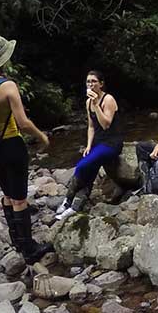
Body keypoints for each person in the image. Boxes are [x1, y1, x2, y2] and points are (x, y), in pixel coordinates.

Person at [0, 37, 51, 262]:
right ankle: (29, 250)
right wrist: (41, 137)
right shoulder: (7, 86)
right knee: (20, 198)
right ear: (4, 59)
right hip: (11, 145)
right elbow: (23, 123)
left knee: (7, 195)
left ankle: (17, 241)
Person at [55, 70, 124, 222]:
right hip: (98, 142)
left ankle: (69, 199)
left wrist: (96, 104)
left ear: (101, 84)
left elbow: (106, 124)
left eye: (94, 81)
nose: (90, 84)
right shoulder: (88, 103)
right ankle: (73, 206)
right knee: (90, 170)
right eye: (88, 82)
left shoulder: (108, 100)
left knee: (82, 166)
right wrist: (88, 145)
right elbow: (91, 127)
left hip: (112, 142)